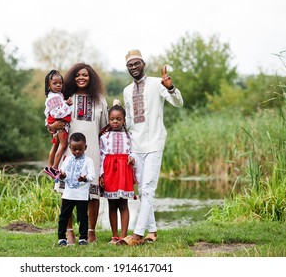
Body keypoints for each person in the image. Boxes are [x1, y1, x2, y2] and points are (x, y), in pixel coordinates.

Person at [120, 49, 184, 246]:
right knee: (142, 189)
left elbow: (178, 102)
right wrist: (129, 149)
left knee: (148, 188)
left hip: (155, 143)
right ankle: (153, 231)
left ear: (143, 64)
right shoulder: (127, 91)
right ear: (128, 68)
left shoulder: (157, 83)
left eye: (136, 63)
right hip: (136, 146)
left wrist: (171, 87)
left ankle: (138, 234)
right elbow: (129, 121)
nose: (134, 68)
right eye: (130, 65)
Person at [47, 63, 108, 244]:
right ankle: (70, 232)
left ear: (91, 78)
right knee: (67, 194)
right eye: (78, 75)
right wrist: (50, 126)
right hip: (68, 151)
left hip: (93, 151)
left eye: (86, 75)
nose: (82, 78)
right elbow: (52, 120)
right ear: (72, 78)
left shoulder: (99, 100)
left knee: (92, 193)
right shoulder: (65, 98)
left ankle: (90, 232)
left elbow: (105, 129)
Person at [99, 102, 136, 244]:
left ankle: (123, 235)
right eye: (112, 119)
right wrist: (101, 174)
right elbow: (101, 155)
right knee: (112, 204)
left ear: (124, 120)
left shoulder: (129, 136)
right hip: (110, 170)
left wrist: (132, 158)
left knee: (123, 203)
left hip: (124, 169)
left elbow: (133, 151)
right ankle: (114, 235)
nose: (115, 122)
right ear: (109, 120)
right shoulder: (104, 137)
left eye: (118, 119)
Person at [57, 132, 95, 246]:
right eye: (74, 149)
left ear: (85, 147)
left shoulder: (89, 161)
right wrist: (62, 176)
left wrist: (85, 178)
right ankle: (61, 238)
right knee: (64, 216)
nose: (77, 152)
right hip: (68, 194)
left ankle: (83, 238)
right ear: (70, 148)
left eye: (80, 149)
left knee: (82, 217)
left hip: (82, 195)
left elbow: (92, 176)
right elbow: (62, 176)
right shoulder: (67, 160)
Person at [43, 70, 72, 179]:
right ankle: (54, 168)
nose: (58, 85)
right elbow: (58, 112)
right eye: (55, 83)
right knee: (63, 145)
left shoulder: (57, 95)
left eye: (60, 83)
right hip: (59, 124)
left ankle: (50, 166)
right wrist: (67, 104)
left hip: (55, 124)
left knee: (55, 145)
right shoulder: (53, 97)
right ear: (49, 85)